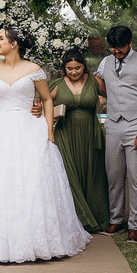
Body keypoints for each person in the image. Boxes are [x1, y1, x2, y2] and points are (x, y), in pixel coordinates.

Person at [0, 27, 90, 265]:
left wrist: (49, 130)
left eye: (1, 38)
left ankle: (37, 240)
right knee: (0, 180)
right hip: (1, 127)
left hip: (29, 126)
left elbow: (46, 99)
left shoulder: (33, 70)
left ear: (14, 44)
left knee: (32, 180)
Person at [94, 25, 137, 243]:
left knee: (136, 177)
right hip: (113, 124)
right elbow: (99, 82)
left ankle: (135, 225)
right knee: (114, 175)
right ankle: (116, 220)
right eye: (113, 48)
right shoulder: (105, 62)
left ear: (130, 42)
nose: (117, 51)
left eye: (121, 47)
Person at [48, 48, 109, 234]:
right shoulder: (57, 84)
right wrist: (52, 117)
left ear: (84, 66)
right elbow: (45, 105)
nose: (73, 72)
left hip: (91, 132)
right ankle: (74, 219)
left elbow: (107, 105)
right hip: (65, 133)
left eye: (77, 68)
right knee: (68, 174)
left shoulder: (96, 81)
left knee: (93, 173)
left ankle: (95, 217)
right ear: (64, 68)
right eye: (69, 68)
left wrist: (102, 110)